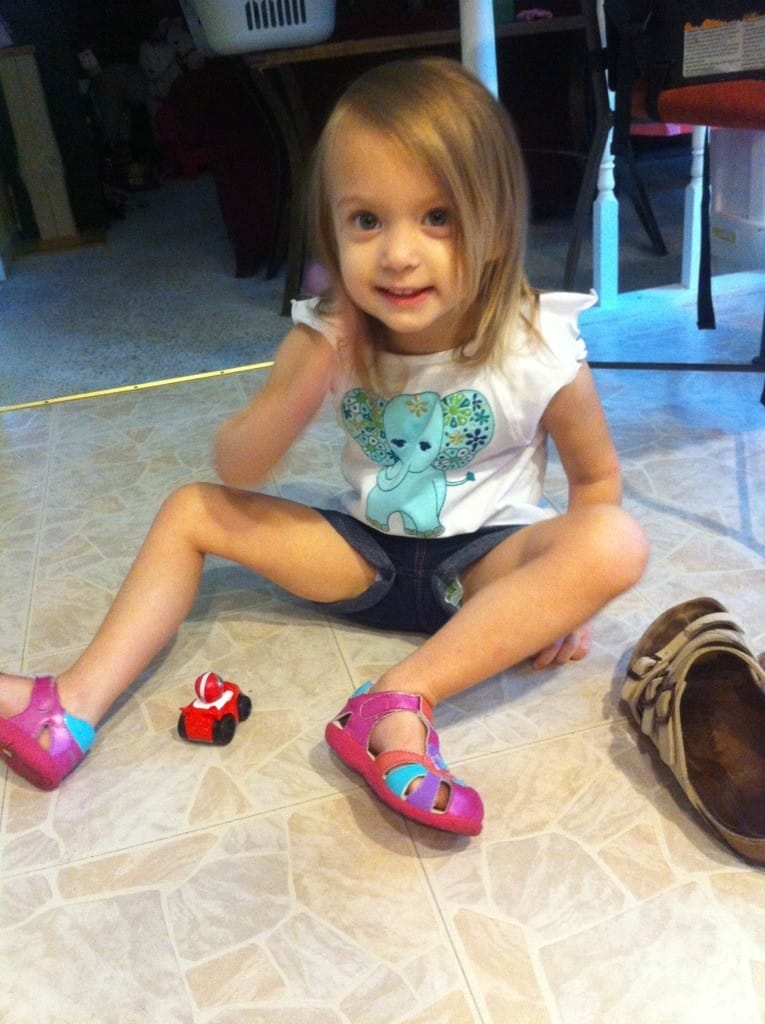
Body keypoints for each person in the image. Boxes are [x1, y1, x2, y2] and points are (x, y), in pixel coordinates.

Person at [0, 57, 648, 835]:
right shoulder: (324, 335)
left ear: (495, 225)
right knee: (189, 509)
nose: (397, 253)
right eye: (366, 221)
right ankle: (68, 708)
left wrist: (561, 602)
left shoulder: (537, 342)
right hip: (362, 556)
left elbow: (596, 481)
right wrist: (295, 388)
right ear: (331, 232)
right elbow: (236, 468)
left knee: (614, 540)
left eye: (436, 217)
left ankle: (398, 699)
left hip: (482, 571)